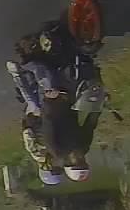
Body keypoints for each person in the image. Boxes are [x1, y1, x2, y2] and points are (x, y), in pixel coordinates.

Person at [8, 22, 100, 184]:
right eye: (83, 163)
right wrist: (98, 105)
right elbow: (90, 125)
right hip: (70, 104)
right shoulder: (84, 146)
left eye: (77, 163)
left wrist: (50, 101)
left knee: (46, 76)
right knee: (85, 77)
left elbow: (48, 123)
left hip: (50, 106)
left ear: (68, 164)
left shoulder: (56, 149)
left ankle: (24, 63)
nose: (80, 160)